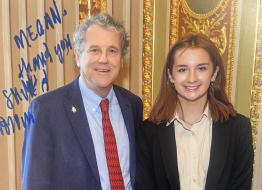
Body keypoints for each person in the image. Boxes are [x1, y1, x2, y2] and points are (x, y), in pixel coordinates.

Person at [22, 13, 143, 190]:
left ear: (121, 59)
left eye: (112, 51)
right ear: (78, 57)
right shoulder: (46, 110)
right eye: (94, 50)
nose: (104, 59)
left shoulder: (132, 105)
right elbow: (35, 185)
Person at [135, 33, 254, 190]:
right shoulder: (148, 133)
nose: (192, 78)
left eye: (201, 68)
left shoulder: (239, 129)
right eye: (182, 69)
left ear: (214, 73)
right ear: (171, 76)